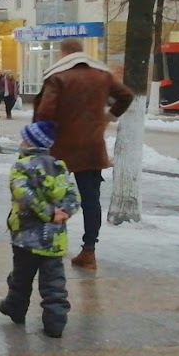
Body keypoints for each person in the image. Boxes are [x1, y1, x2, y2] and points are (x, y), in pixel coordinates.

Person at [32, 38, 134, 269]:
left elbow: (45, 113)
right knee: (91, 199)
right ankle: (89, 251)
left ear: (64, 53)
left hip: (60, 148)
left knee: (52, 196)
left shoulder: (57, 77)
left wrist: (39, 138)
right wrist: (110, 116)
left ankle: (50, 245)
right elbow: (126, 95)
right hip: (91, 147)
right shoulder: (102, 75)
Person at [0, 120, 80, 338]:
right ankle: (55, 321)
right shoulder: (59, 167)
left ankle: (15, 308)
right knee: (54, 282)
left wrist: (48, 212)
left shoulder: (22, 166)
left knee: (21, 279)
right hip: (54, 238)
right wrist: (64, 212)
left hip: (27, 238)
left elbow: (23, 195)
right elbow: (74, 196)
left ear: (30, 143)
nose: (21, 143)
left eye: (24, 139)